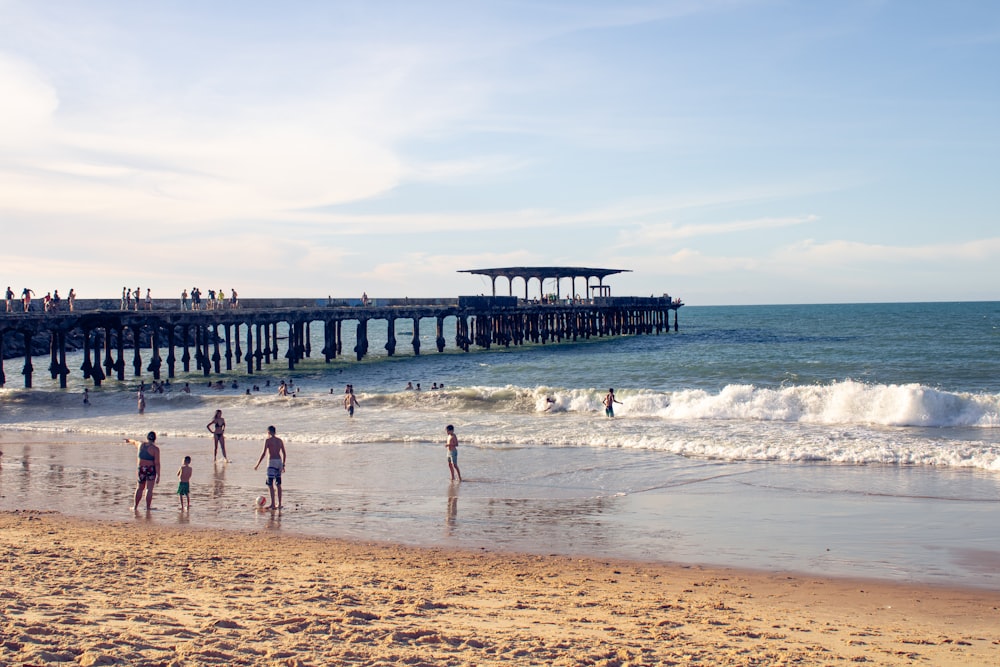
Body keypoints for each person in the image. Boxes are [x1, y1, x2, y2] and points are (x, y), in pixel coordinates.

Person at [126, 431, 160, 511]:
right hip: (150, 469)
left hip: (141, 468)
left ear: (147, 437)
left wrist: (128, 440)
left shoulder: (140, 444)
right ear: (155, 439)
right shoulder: (155, 449)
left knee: (139, 488)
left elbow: (134, 441)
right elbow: (157, 463)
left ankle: (135, 507)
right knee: (149, 489)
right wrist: (158, 475)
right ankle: (148, 507)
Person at [254, 425, 286, 509]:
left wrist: (257, 464)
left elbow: (264, 453)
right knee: (278, 484)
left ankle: (273, 504)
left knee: (270, 484)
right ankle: (279, 504)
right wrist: (283, 465)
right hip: (279, 462)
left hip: (271, 462)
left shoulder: (268, 440)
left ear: (268, 432)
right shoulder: (280, 440)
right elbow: (284, 453)